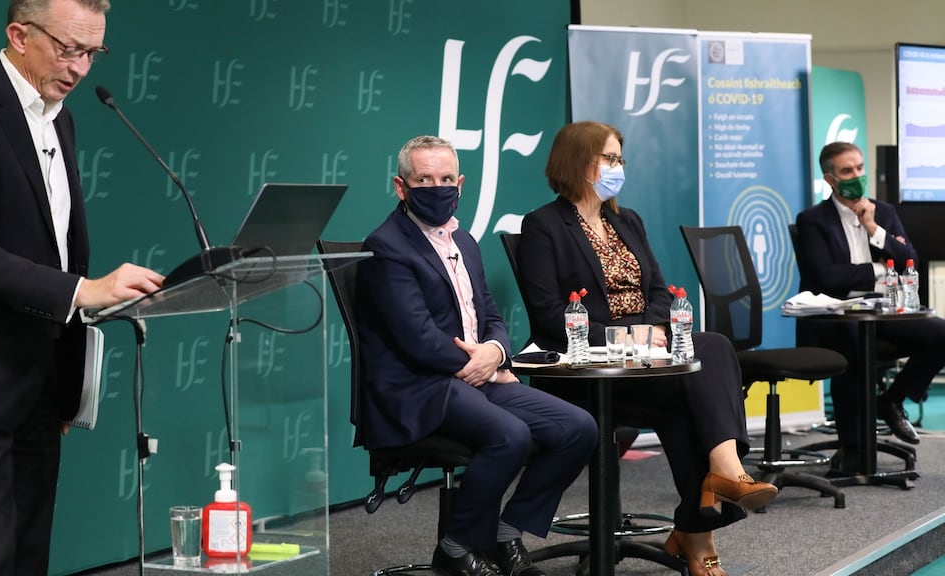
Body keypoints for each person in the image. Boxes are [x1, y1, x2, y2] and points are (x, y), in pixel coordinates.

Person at [0, 1, 165, 574]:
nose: (80, 68)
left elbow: (55, 244)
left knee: (30, 555)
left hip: (41, 377)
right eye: (68, 49)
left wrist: (67, 376)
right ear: (18, 34)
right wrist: (85, 291)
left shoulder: (61, 118)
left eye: (92, 53)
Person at [516, 121, 778, 576]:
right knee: (692, 389)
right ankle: (702, 520)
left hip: (647, 360)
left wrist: (653, 327)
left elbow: (658, 289)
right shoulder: (543, 225)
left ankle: (720, 479)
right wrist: (623, 337)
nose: (618, 167)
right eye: (609, 158)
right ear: (577, 160)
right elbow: (548, 316)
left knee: (710, 351)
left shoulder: (627, 220)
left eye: (620, 159)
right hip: (589, 373)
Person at [355, 135, 598, 576]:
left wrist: (497, 352)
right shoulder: (386, 246)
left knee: (577, 428)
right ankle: (456, 546)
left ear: (461, 183)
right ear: (401, 186)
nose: (437, 187)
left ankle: (507, 532)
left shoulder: (463, 241)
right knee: (511, 435)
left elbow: (491, 314)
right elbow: (417, 338)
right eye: (424, 180)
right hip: (416, 386)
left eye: (446, 178)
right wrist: (482, 366)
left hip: (474, 376)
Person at [795, 141, 945, 469]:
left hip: (881, 311)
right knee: (852, 343)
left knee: (941, 333)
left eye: (860, 168)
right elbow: (826, 278)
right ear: (830, 179)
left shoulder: (884, 212)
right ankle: (853, 446)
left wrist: (874, 229)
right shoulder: (812, 221)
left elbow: (909, 262)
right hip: (833, 316)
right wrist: (880, 268)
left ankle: (891, 400)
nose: (857, 176)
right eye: (847, 171)